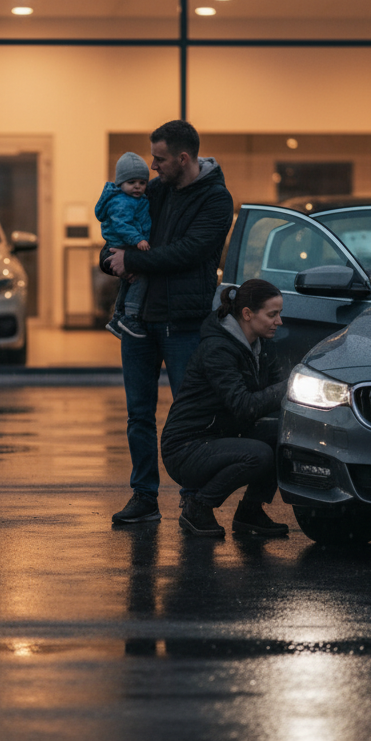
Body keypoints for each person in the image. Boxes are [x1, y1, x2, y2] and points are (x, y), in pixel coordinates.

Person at [101, 120, 234, 525]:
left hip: (185, 323)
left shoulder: (215, 199)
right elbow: (119, 236)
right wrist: (110, 259)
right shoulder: (153, 191)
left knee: (188, 415)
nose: (152, 166)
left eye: (159, 159)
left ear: (182, 157)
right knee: (138, 414)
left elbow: (189, 252)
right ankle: (144, 497)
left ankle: (194, 501)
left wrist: (133, 260)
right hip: (139, 320)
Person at [160, 279, 289, 538]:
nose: (279, 322)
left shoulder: (263, 346)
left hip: (220, 437)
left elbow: (276, 391)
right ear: (247, 314)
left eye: (279, 314)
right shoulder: (217, 349)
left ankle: (250, 513)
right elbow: (244, 405)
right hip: (186, 448)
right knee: (260, 454)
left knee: (283, 437)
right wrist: (288, 387)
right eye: (272, 314)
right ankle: (198, 507)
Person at [96, 152, 152, 339]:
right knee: (139, 277)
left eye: (142, 183)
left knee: (128, 282)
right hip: (124, 244)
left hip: (127, 244)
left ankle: (118, 317)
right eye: (131, 182)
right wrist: (138, 239)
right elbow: (121, 224)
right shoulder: (122, 201)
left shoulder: (135, 199)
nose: (137, 186)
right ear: (120, 183)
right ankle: (131, 317)